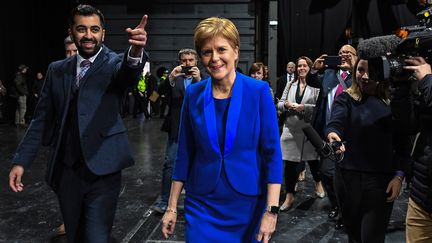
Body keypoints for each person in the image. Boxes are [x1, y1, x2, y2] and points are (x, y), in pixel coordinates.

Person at [8, 4, 148, 242]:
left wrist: (135, 52)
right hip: (66, 171)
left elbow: (128, 72)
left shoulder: (113, 63)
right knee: (74, 236)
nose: (88, 35)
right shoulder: (56, 70)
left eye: (94, 29)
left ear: (103, 32)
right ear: (71, 31)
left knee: (96, 237)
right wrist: (21, 161)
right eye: (81, 29)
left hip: (103, 171)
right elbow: (41, 119)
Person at [161, 17, 282, 243]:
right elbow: (184, 154)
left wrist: (271, 210)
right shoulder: (194, 94)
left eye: (221, 49)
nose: (214, 58)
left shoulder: (258, 91)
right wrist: (172, 207)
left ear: (236, 51)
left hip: (248, 204)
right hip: (202, 204)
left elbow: (272, 154)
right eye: (207, 52)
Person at [325, 51, 409, 243]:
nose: (364, 76)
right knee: (354, 237)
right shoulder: (346, 98)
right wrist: (333, 135)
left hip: (380, 184)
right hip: (347, 180)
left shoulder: (394, 103)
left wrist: (399, 176)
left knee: (372, 237)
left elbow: (403, 145)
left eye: (370, 71)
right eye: (360, 70)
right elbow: (335, 122)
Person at [307, 44, 357, 227]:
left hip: (350, 136)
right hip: (327, 134)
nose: (343, 55)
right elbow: (312, 82)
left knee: (347, 177)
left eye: (348, 53)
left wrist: (355, 67)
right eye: (341, 53)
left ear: (355, 56)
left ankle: (347, 211)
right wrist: (315, 69)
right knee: (326, 173)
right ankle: (336, 204)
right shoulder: (329, 74)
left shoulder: (360, 76)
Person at [153, 48, 206, 213]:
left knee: (197, 165)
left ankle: (194, 201)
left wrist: (198, 80)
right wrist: (170, 77)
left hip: (198, 128)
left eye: (191, 60)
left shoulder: (204, 79)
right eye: (184, 60)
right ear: (179, 62)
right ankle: (164, 200)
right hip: (176, 127)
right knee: (170, 164)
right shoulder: (174, 79)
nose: (187, 63)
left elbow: (207, 100)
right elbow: (155, 95)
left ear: (196, 62)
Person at [276, 56, 324, 211]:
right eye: (299, 66)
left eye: (304, 65)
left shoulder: (316, 85)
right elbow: (280, 103)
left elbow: (319, 106)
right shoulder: (290, 84)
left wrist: (304, 107)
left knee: (313, 162)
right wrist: (287, 104)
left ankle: (318, 183)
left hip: (309, 130)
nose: (301, 68)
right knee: (289, 165)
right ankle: (289, 196)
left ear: (309, 68)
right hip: (291, 129)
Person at [400, 56, 432, 242]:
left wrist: (428, 80)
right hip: (421, 196)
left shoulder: (429, 81)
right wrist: (401, 90)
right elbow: (409, 126)